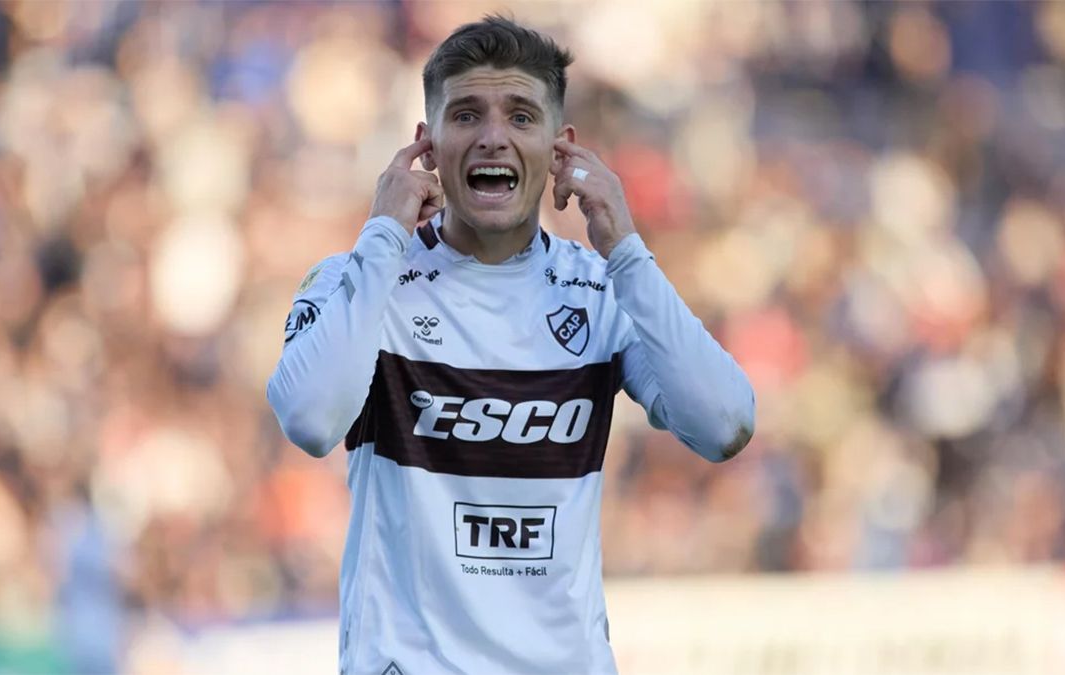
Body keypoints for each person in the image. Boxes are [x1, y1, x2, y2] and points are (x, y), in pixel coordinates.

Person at [267, 16, 755, 674]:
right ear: (426, 145)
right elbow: (310, 420)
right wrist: (383, 235)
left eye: (521, 116)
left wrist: (627, 252)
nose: (493, 136)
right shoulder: (361, 280)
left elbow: (724, 424)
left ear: (560, 147)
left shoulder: (599, 291)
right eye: (465, 115)